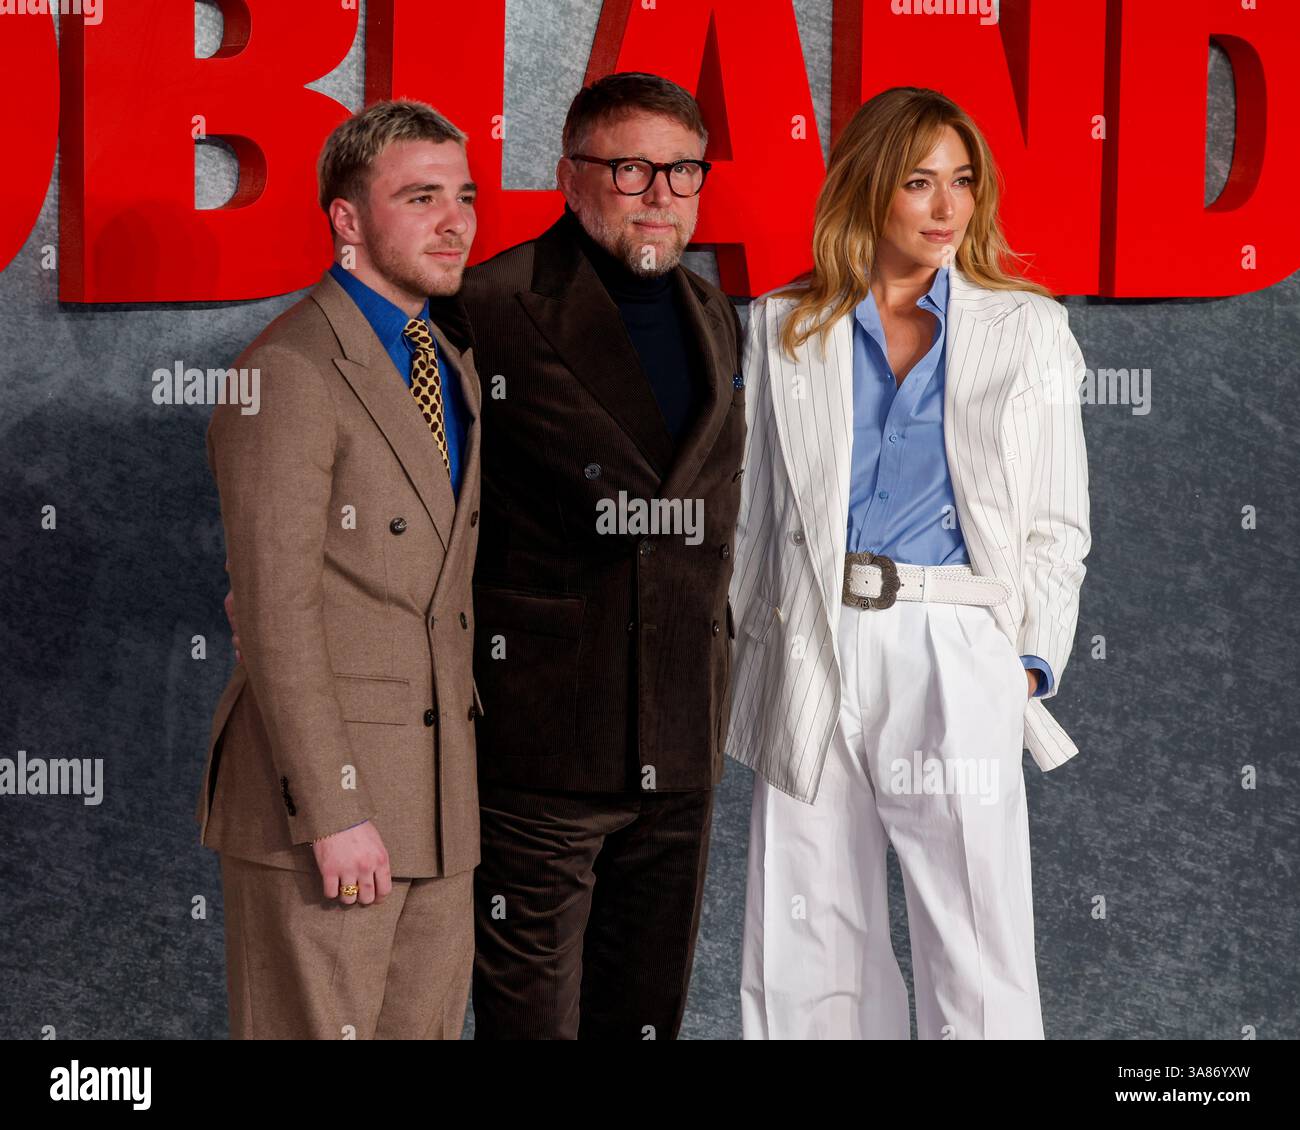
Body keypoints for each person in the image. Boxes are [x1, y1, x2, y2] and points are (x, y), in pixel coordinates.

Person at [729, 86, 1091, 1039]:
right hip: (812, 635)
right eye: (919, 182)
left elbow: (1059, 523)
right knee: (804, 930)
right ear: (868, 188)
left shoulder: (1028, 329)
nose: (947, 207)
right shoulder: (781, 326)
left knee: (977, 936)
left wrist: (1020, 666)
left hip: (954, 639)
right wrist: (746, 653)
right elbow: (753, 520)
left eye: (963, 182)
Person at [458, 72, 745, 1040]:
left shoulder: (716, 314)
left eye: (681, 171)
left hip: (678, 731)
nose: (659, 192)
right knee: (531, 1018)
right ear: (569, 176)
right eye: (629, 169)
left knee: (645, 1014)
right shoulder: (486, 304)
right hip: (542, 737)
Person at [197, 99, 483, 1039]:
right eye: (421, 197)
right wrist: (334, 810)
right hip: (328, 811)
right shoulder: (286, 370)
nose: (456, 221)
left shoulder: (447, 361)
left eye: (464, 195)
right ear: (347, 220)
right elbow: (274, 615)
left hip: (440, 812)